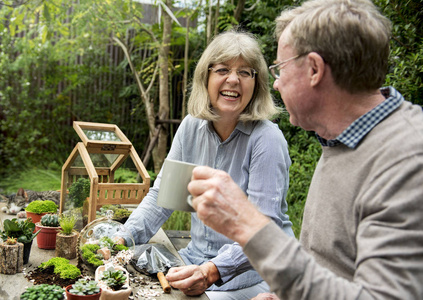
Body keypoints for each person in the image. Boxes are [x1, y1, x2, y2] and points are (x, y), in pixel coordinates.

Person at [188, 0, 423, 299]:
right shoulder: (341, 140)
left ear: (314, 69)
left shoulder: (408, 159)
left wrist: (249, 226)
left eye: (280, 69)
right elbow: (336, 270)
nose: (275, 85)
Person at [121, 30, 294, 300]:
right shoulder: (191, 126)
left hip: (250, 279)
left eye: (246, 72)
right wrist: (122, 239)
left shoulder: (267, 139)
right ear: (206, 76)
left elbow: (265, 230)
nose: (233, 79)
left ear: (256, 83)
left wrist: (212, 271)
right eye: (223, 69)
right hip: (195, 262)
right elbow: (163, 197)